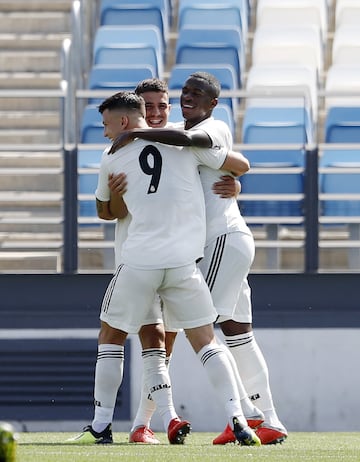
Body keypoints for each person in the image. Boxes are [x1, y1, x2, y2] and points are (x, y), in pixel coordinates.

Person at [69, 91, 261, 447]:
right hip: (183, 265)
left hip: (139, 261)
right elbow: (233, 162)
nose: (105, 131)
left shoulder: (112, 154)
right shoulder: (183, 144)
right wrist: (236, 180)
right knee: (206, 339)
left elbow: (103, 210)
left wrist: (113, 194)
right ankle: (238, 417)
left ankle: (100, 424)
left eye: (107, 124)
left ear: (124, 121)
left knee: (111, 335)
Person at [110, 73, 288, 445]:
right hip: (214, 245)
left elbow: (237, 161)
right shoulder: (170, 135)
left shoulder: (207, 128)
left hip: (218, 240)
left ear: (212, 103)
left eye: (196, 94)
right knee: (237, 332)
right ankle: (266, 417)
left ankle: (240, 416)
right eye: (185, 92)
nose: (185, 99)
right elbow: (229, 162)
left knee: (184, 331)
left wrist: (238, 182)